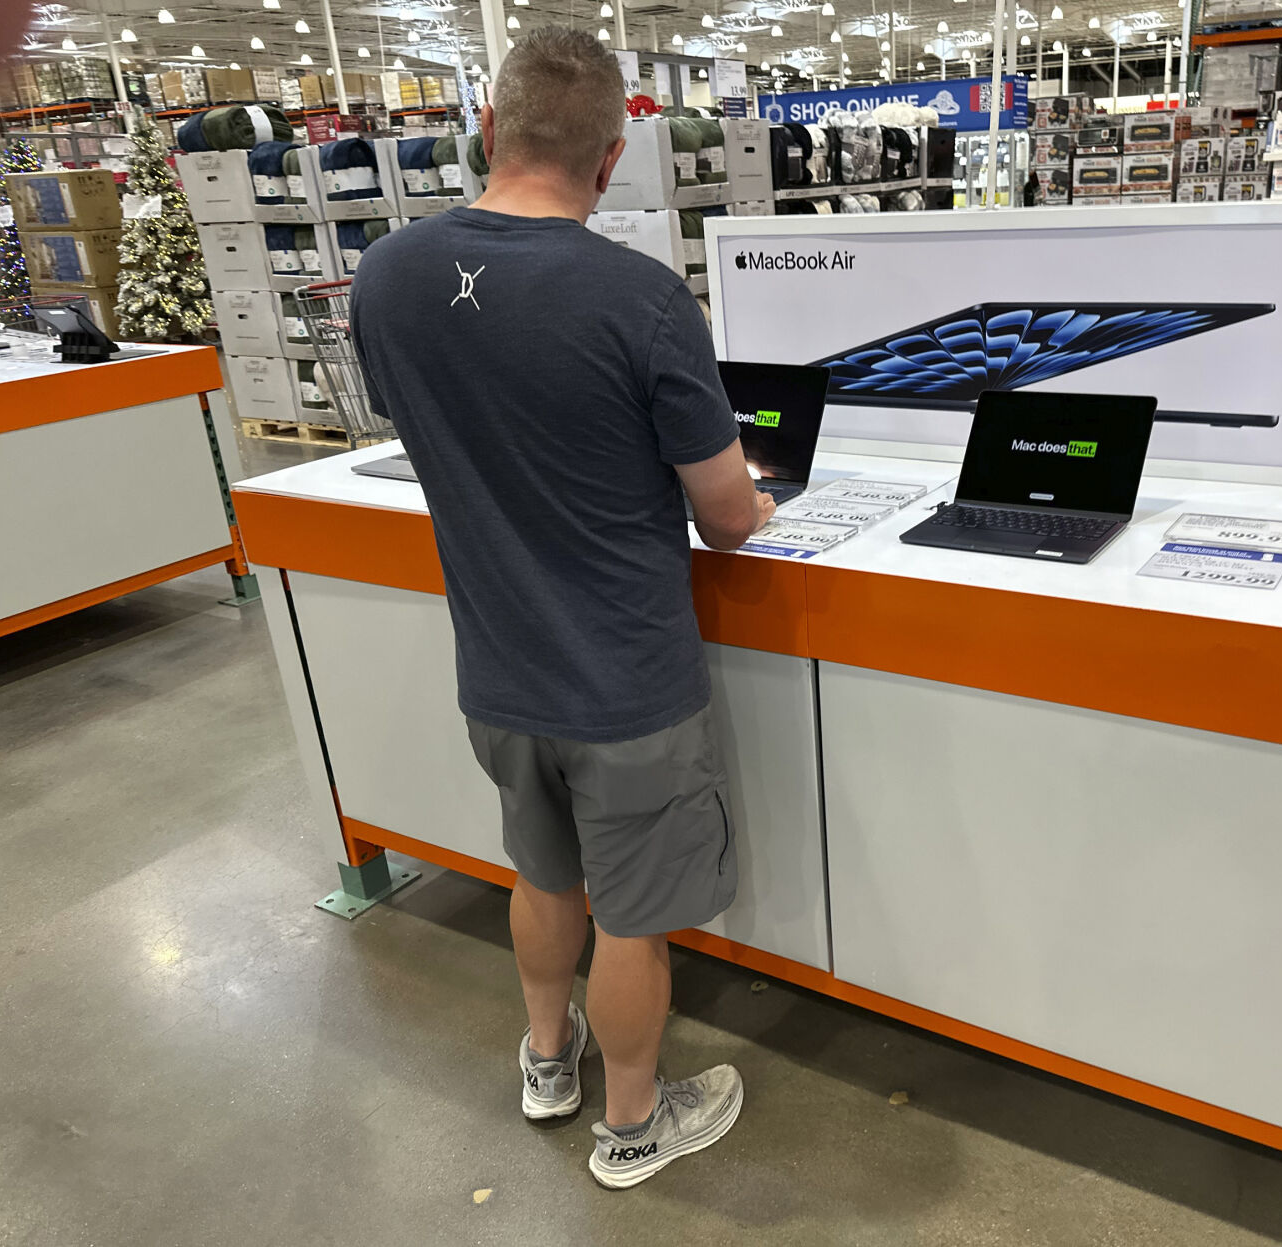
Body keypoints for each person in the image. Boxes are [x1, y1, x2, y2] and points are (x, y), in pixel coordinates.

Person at [349, 26, 776, 1189]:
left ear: (489, 129)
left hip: (497, 667)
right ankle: (635, 1123)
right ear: (614, 153)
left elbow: (431, 425)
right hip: (625, 681)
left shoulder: (385, 275)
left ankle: (547, 1057)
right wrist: (762, 506)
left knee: (544, 877)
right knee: (633, 914)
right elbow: (728, 516)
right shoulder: (638, 298)